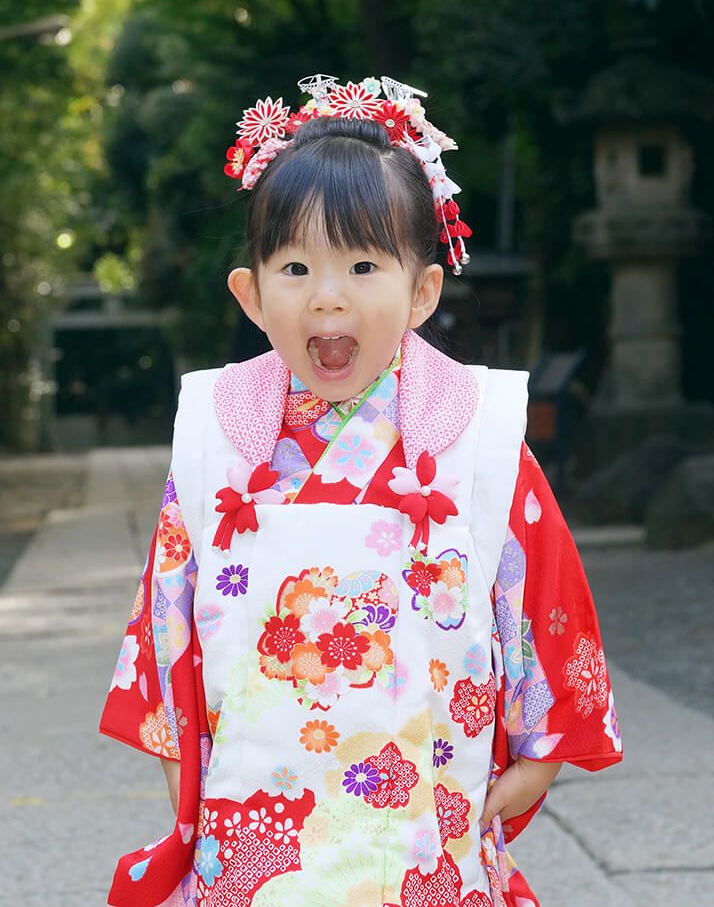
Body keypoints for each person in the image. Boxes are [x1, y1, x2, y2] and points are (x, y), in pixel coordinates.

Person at [99, 75, 622, 907]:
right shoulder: (213, 436)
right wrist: (182, 769)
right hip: (256, 816)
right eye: (296, 265)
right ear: (252, 293)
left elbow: (543, 599)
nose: (328, 293)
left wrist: (541, 755)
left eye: (364, 264)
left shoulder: (478, 434)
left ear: (422, 291)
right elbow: (170, 615)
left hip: (425, 809)